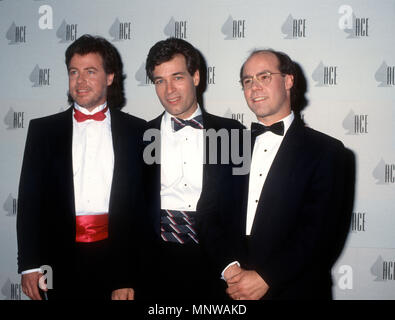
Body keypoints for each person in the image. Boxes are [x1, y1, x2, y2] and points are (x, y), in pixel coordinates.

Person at [17, 34, 146, 300]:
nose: (80, 80)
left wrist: (130, 272)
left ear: (110, 77)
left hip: (117, 256)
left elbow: (143, 210)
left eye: (90, 71)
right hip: (59, 259)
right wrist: (29, 264)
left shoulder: (138, 131)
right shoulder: (42, 130)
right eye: (74, 72)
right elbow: (30, 202)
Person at [223, 49, 352, 300]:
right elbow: (211, 213)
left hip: (295, 289)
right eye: (248, 81)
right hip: (232, 289)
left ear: (289, 80)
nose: (255, 87)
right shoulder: (229, 147)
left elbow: (320, 232)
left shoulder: (327, 151)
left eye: (264, 77)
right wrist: (229, 269)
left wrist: (267, 277)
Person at [138, 37, 245, 300]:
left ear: (196, 77)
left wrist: (238, 262)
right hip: (155, 262)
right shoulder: (142, 136)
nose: (169, 90)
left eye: (177, 77)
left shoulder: (232, 134)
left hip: (218, 262)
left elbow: (244, 205)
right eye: (160, 81)